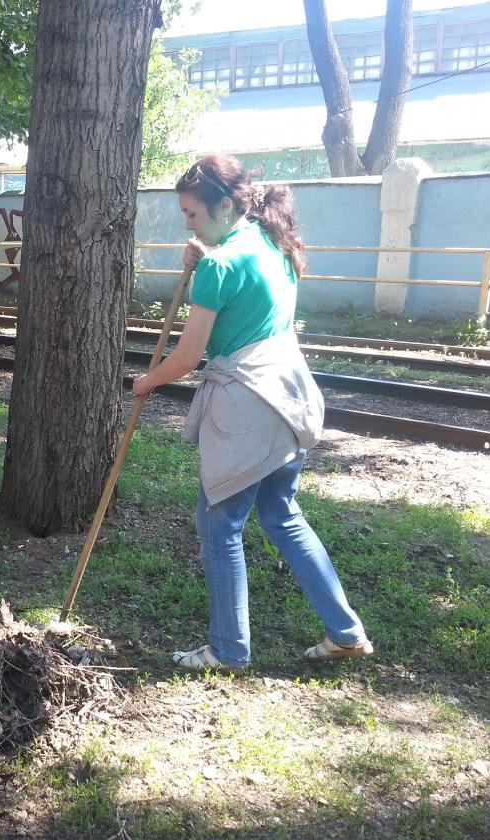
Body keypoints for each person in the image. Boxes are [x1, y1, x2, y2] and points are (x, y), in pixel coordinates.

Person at [132, 154, 373, 673]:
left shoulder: (220, 265)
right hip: (287, 393)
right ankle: (347, 633)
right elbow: (247, 305)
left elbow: (188, 357)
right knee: (282, 515)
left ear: (224, 205)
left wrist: (147, 380)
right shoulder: (271, 244)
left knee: (219, 526)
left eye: (193, 213)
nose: (187, 223)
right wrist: (205, 259)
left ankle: (227, 650)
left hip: (247, 406)